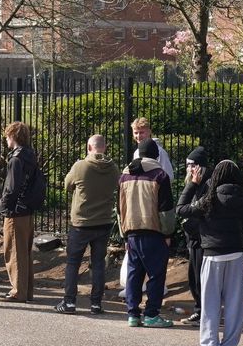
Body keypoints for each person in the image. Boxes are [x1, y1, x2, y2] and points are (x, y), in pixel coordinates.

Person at [177, 159, 243, 346]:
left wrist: (192, 183)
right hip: (236, 255)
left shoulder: (209, 199)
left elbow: (181, 209)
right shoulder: (242, 199)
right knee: (234, 303)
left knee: (210, 302)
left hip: (212, 255)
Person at [56, 134, 120, 315]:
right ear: (105, 147)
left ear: (88, 147)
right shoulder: (113, 168)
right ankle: (96, 304)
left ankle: (69, 302)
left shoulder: (80, 166)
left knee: (73, 262)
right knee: (98, 263)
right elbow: (118, 187)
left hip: (81, 222)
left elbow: (67, 185)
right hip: (104, 222)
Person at [118, 138, 175, 328]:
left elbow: (119, 208)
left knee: (134, 274)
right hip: (154, 231)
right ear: (156, 155)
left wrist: (124, 234)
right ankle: (151, 314)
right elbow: (166, 210)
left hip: (131, 231)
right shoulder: (160, 175)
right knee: (156, 274)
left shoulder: (124, 175)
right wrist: (168, 233)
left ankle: (133, 314)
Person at [0, 121, 39, 303]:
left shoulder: (16, 159)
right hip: (27, 210)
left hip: (16, 211)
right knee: (24, 251)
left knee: (13, 251)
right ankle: (26, 290)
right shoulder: (31, 155)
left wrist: (3, 206)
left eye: (7, 136)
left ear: (13, 136)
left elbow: (11, 187)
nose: (6, 139)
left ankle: (17, 291)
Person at [177, 147, 212, 324]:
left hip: (202, 238)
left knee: (200, 278)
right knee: (194, 277)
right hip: (193, 238)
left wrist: (193, 184)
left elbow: (183, 209)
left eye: (193, 165)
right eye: (188, 165)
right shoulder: (194, 183)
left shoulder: (206, 185)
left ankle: (203, 311)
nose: (190, 169)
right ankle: (200, 309)